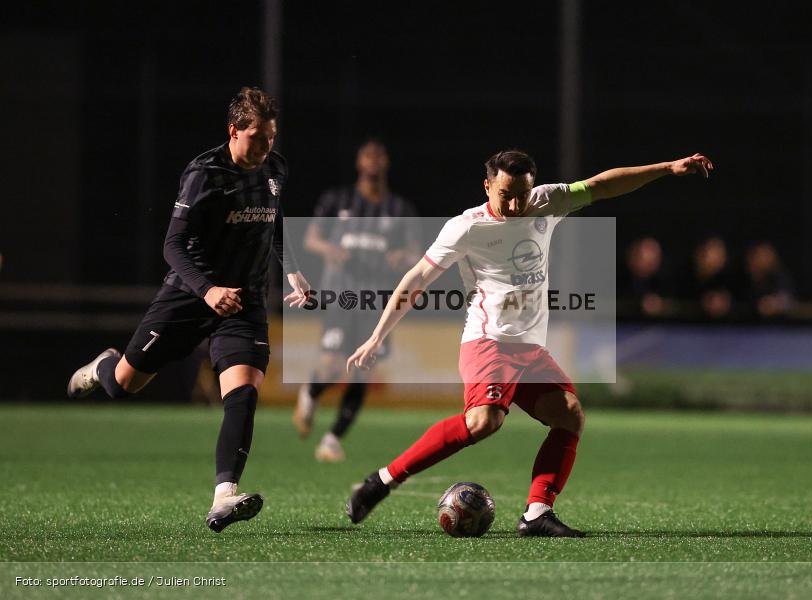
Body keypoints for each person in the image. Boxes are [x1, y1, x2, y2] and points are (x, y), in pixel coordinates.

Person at [344, 149, 713, 537]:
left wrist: (666, 168)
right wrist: (376, 336)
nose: (515, 205)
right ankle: (382, 481)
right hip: (488, 342)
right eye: (506, 195)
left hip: (531, 350)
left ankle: (537, 513)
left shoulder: (547, 201)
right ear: (487, 187)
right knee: (484, 421)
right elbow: (417, 278)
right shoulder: (465, 228)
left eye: (522, 194)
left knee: (569, 415)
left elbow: (603, 185)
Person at [66, 87, 310, 533]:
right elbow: (172, 245)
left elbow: (274, 224)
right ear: (233, 130)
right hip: (189, 294)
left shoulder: (275, 168)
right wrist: (208, 290)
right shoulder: (204, 174)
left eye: (271, 137)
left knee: (243, 394)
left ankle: (224, 495)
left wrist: (292, 271)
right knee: (123, 386)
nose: (265, 146)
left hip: (244, 301)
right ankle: (103, 366)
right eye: (257, 138)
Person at [292, 139, 420, 462]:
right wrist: (329, 249)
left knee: (363, 370)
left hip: (378, 303)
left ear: (386, 162)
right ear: (359, 162)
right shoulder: (338, 200)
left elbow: (416, 254)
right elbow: (311, 239)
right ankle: (311, 392)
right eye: (368, 156)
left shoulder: (400, 209)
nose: (373, 161)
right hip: (342, 296)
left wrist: (403, 257)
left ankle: (332, 439)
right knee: (333, 364)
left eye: (379, 156)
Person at [743, 242, 795, 318]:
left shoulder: (778, 276)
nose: (763, 260)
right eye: (760, 256)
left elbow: (789, 299)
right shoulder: (741, 277)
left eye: (766, 256)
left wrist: (775, 303)